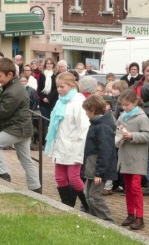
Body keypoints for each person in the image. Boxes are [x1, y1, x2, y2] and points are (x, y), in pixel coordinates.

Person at [0, 58, 41, 193]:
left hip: (16, 128)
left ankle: (3, 175)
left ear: (10, 75)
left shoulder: (13, 91)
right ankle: (36, 189)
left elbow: (3, 112)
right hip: (23, 128)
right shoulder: (11, 86)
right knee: (26, 160)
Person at [44, 72, 89, 210]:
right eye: (57, 87)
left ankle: (89, 205)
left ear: (71, 85)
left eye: (62, 87)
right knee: (60, 178)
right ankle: (67, 206)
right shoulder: (60, 101)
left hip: (74, 146)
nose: (58, 89)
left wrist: (80, 150)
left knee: (74, 179)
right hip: (60, 146)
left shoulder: (78, 102)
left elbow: (84, 127)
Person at [116, 88, 149, 230]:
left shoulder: (142, 117)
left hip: (137, 157)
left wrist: (132, 136)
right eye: (123, 105)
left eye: (127, 105)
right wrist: (119, 136)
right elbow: (117, 131)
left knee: (135, 187)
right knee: (128, 187)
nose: (125, 108)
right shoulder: (121, 117)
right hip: (125, 155)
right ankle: (130, 213)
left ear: (134, 103)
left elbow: (148, 135)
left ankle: (140, 217)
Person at [82, 95, 117, 222]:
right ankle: (95, 220)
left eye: (87, 110)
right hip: (92, 167)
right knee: (88, 195)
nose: (86, 113)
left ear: (93, 109)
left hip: (98, 169)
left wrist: (99, 173)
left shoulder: (102, 126)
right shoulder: (96, 124)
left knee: (94, 196)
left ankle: (108, 222)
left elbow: (105, 151)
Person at [37, 57, 59, 145]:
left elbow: (56, 89)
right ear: (45, 64)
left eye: (51, 63)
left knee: (51, 120)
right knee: (45, 120)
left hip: (53, 100)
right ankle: (45, 141)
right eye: (47, 63)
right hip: (43, 101)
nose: (49, 65)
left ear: (53, 65)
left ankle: (52, 140)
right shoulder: (42, 75)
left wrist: (49, 98)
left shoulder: (56, 75)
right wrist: (44, 98)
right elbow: (39, 88)